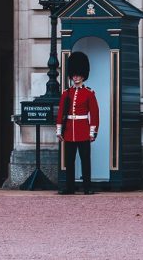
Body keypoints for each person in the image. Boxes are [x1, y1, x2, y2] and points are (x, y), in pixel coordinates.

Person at [56, 52, 99, 195]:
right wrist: (59, 130)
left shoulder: (89, 93)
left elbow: (94, 114)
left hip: (83, 130)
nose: (75, 77)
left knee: (85, 160)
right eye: (73, 75)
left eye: (78, 75)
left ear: (83, 75)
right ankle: (70, 187)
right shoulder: (66, 93)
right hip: (69, 130)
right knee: (69, 161)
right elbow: (61, 112)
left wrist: (92, 132)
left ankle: (88, 187)